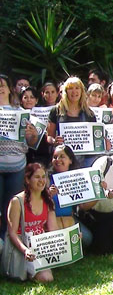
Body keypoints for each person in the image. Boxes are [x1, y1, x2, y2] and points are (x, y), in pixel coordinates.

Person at [0, 75, 41, 238]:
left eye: (3, 85)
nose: (0, 89)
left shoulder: (22, 113)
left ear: (10, 89)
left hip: (17, 167)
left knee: (11, 208)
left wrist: (33, 135)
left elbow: (31, 143)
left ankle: (8, 242)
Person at [5, 163, 57, 282]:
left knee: (47, 278)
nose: (41, 181)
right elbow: (12, 233)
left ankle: (33, 271)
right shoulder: (17, 201)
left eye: (43, 177)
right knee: (44, 277)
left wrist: (71, 237)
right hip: (21, 245)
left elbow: (54, 230)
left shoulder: (48, 201)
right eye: (37, 177)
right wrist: (25, 250)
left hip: (40, 246)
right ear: (27, 180)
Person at [46, 77, 97, 166]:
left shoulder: (89, 113)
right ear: (65, 91)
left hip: (84, 161)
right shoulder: (56, 111)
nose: (74, 91)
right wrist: (54, 141)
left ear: (82, 91)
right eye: (70, 88)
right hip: (62, 161)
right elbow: (49, 136)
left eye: (77, 88)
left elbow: (95, 139)